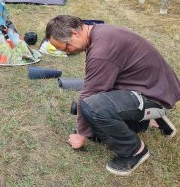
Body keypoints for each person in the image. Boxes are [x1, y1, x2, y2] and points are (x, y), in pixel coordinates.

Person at [45, 15, 180, 176]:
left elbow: (90, 94)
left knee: (93, 108)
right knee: (94, 120)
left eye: (66, 47)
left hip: (156, 97)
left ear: (75, 33)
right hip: (153, 89)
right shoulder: (100, 32)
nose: (67, 52)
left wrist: (81, 135)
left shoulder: (101, 51)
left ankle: (135, 151)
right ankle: (151, 121)